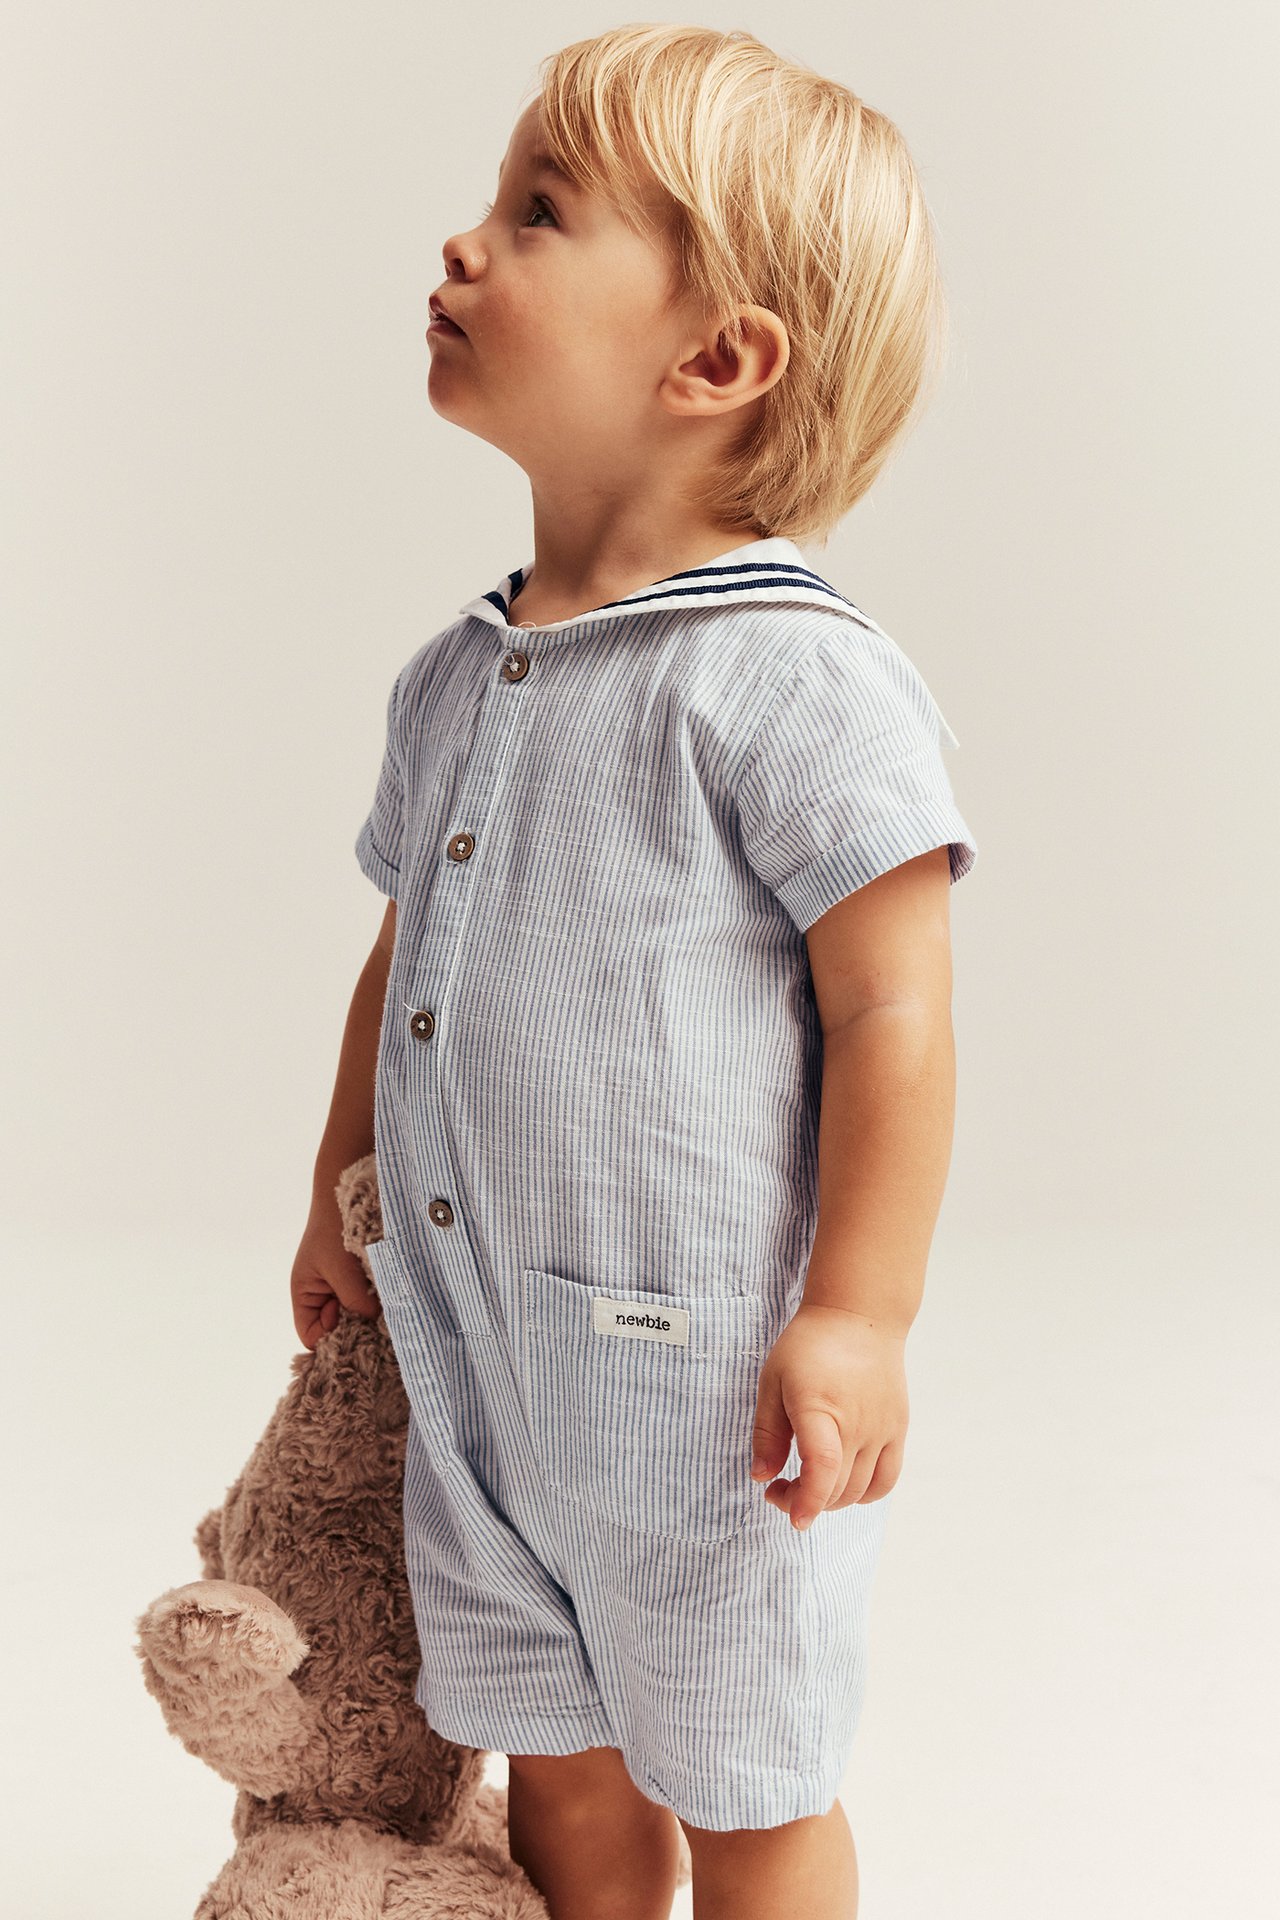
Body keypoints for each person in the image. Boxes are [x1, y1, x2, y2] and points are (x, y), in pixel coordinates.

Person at [292, 24, 978, 1920]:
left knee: (745, 1777)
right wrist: (338, 1187)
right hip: (482, 1356)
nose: (462, 248)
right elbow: (401, 954)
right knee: (560, 1774)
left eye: (537, 211)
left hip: (703, 1403)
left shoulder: (792, 678)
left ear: (717, 360)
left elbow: (895, 1012)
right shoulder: (459, 675)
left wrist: (861, 1316)